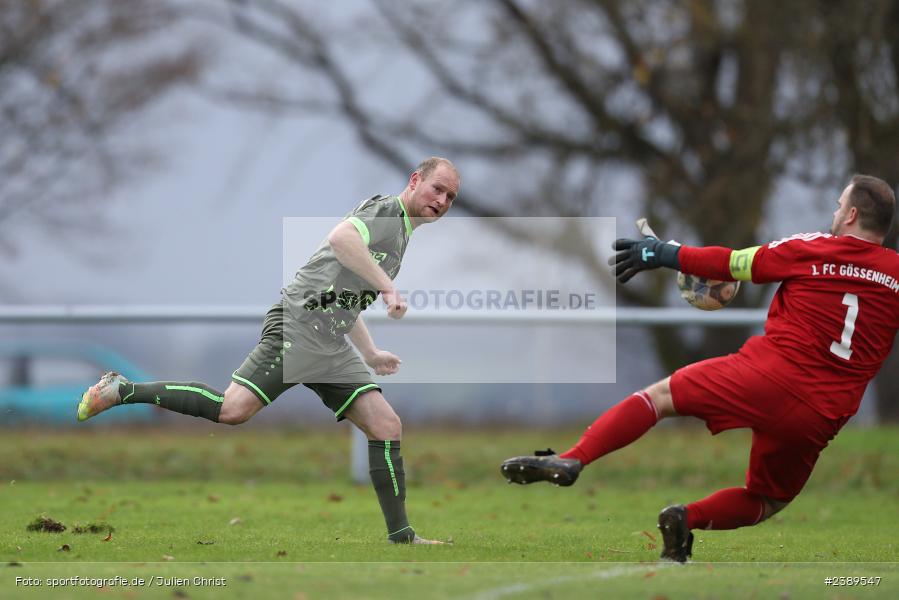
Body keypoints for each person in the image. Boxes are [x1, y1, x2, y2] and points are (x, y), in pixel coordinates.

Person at [501, 174, 898, 562]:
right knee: (768, 499)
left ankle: (574, 457)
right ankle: (685, 518)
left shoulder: (813, 248)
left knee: (660, 398)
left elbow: (733, 263)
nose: (834, 212)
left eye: (839, 205)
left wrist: (663, 254)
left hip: (766, 376)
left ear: (851, 215)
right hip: (820, 414)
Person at [78, 157, 461, 545]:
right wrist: (389, 288)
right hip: (299, 324)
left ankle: (402, 537)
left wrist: (370, 352)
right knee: (232, 410)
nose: (443, 201)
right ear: (415, 180)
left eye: (450, 197)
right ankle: (123, 390)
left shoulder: (402, 233)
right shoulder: (387, 213)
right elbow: (341, 238)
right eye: (438, 189)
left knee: (386, 425)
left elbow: (345, 298)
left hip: (329, 341)